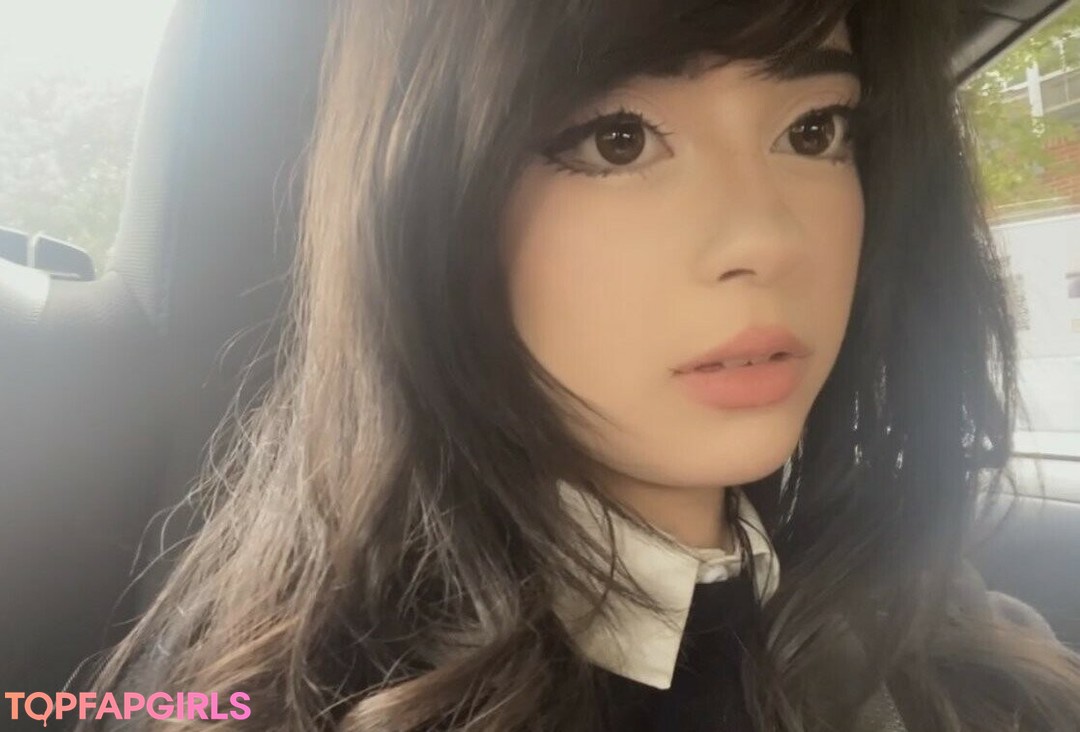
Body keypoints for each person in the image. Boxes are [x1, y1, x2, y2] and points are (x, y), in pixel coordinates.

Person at [77, 0, 1080, 729]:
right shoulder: (281, 696)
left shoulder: (930, 611)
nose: (768, 237)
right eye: (618, 140)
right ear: (435, 206)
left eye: (813, 131)